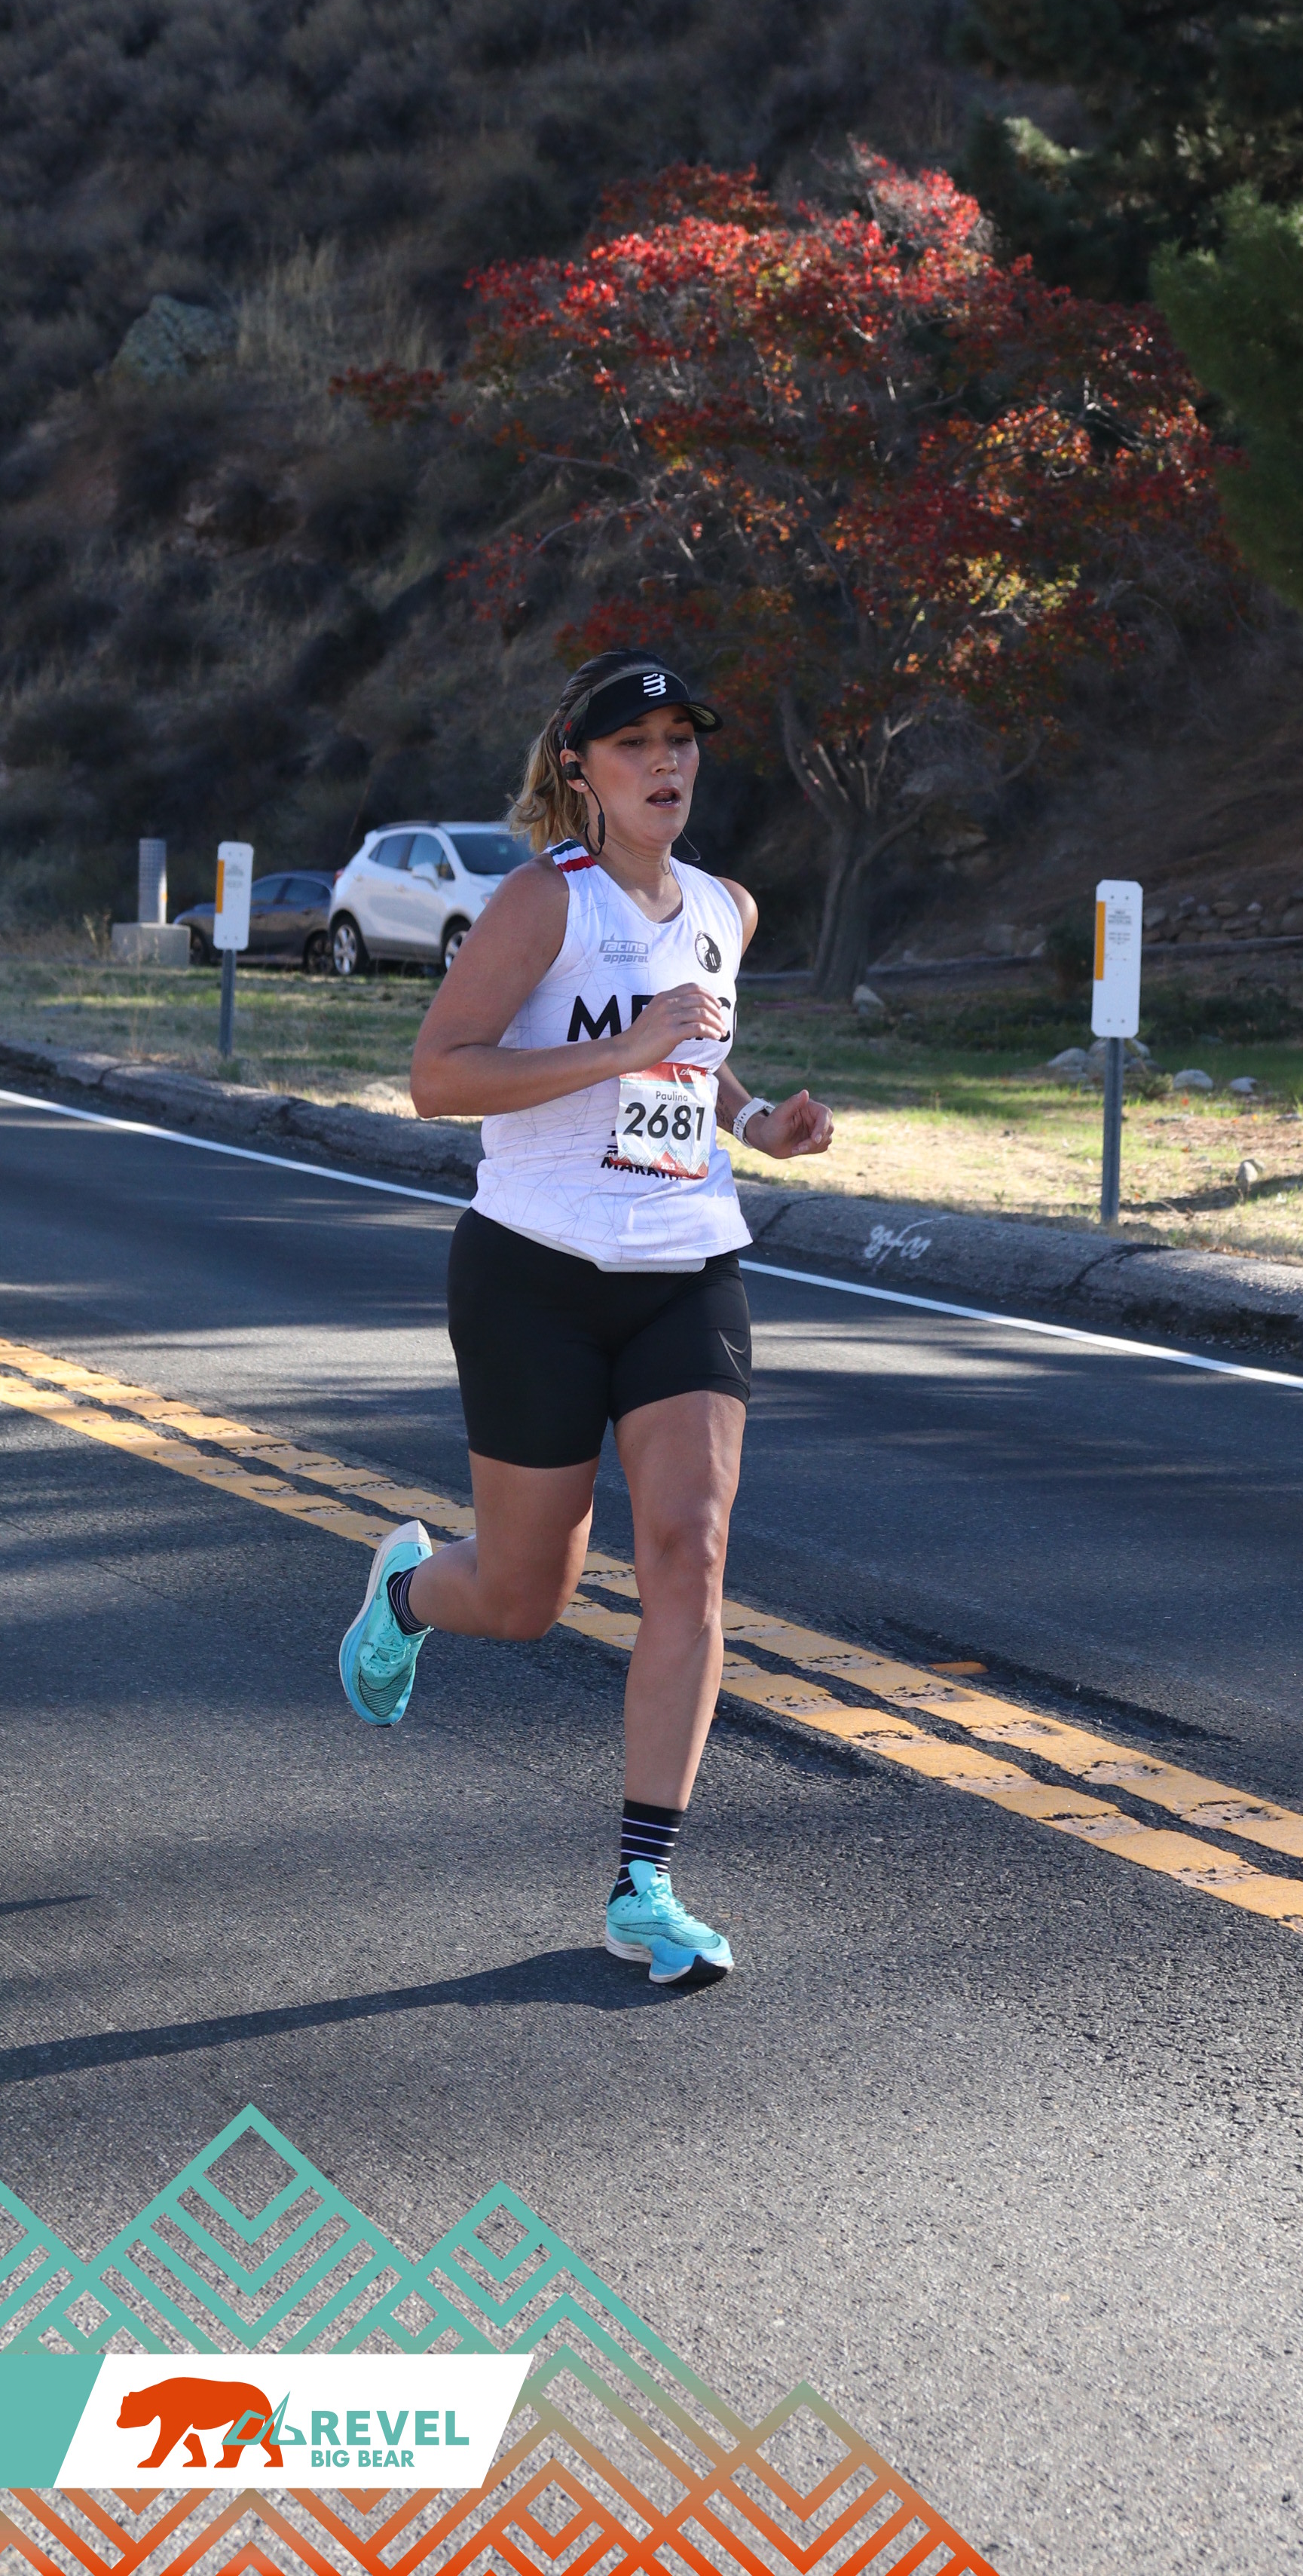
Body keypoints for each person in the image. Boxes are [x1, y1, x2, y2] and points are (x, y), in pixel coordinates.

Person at [335, 648, 834, 1983]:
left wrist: (758, 1125)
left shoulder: (726, 907)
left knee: (691, 1550)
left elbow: (698, 1060)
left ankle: (643, 1885)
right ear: (581, 768)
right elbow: (439, 1077)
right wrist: (622, 1046)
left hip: (688, 1263)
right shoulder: (542, 903)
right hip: (534, 1272)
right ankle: (408, 1592)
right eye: (635, 745)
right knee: (525, 1597)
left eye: (683, 741)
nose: (666, 764)